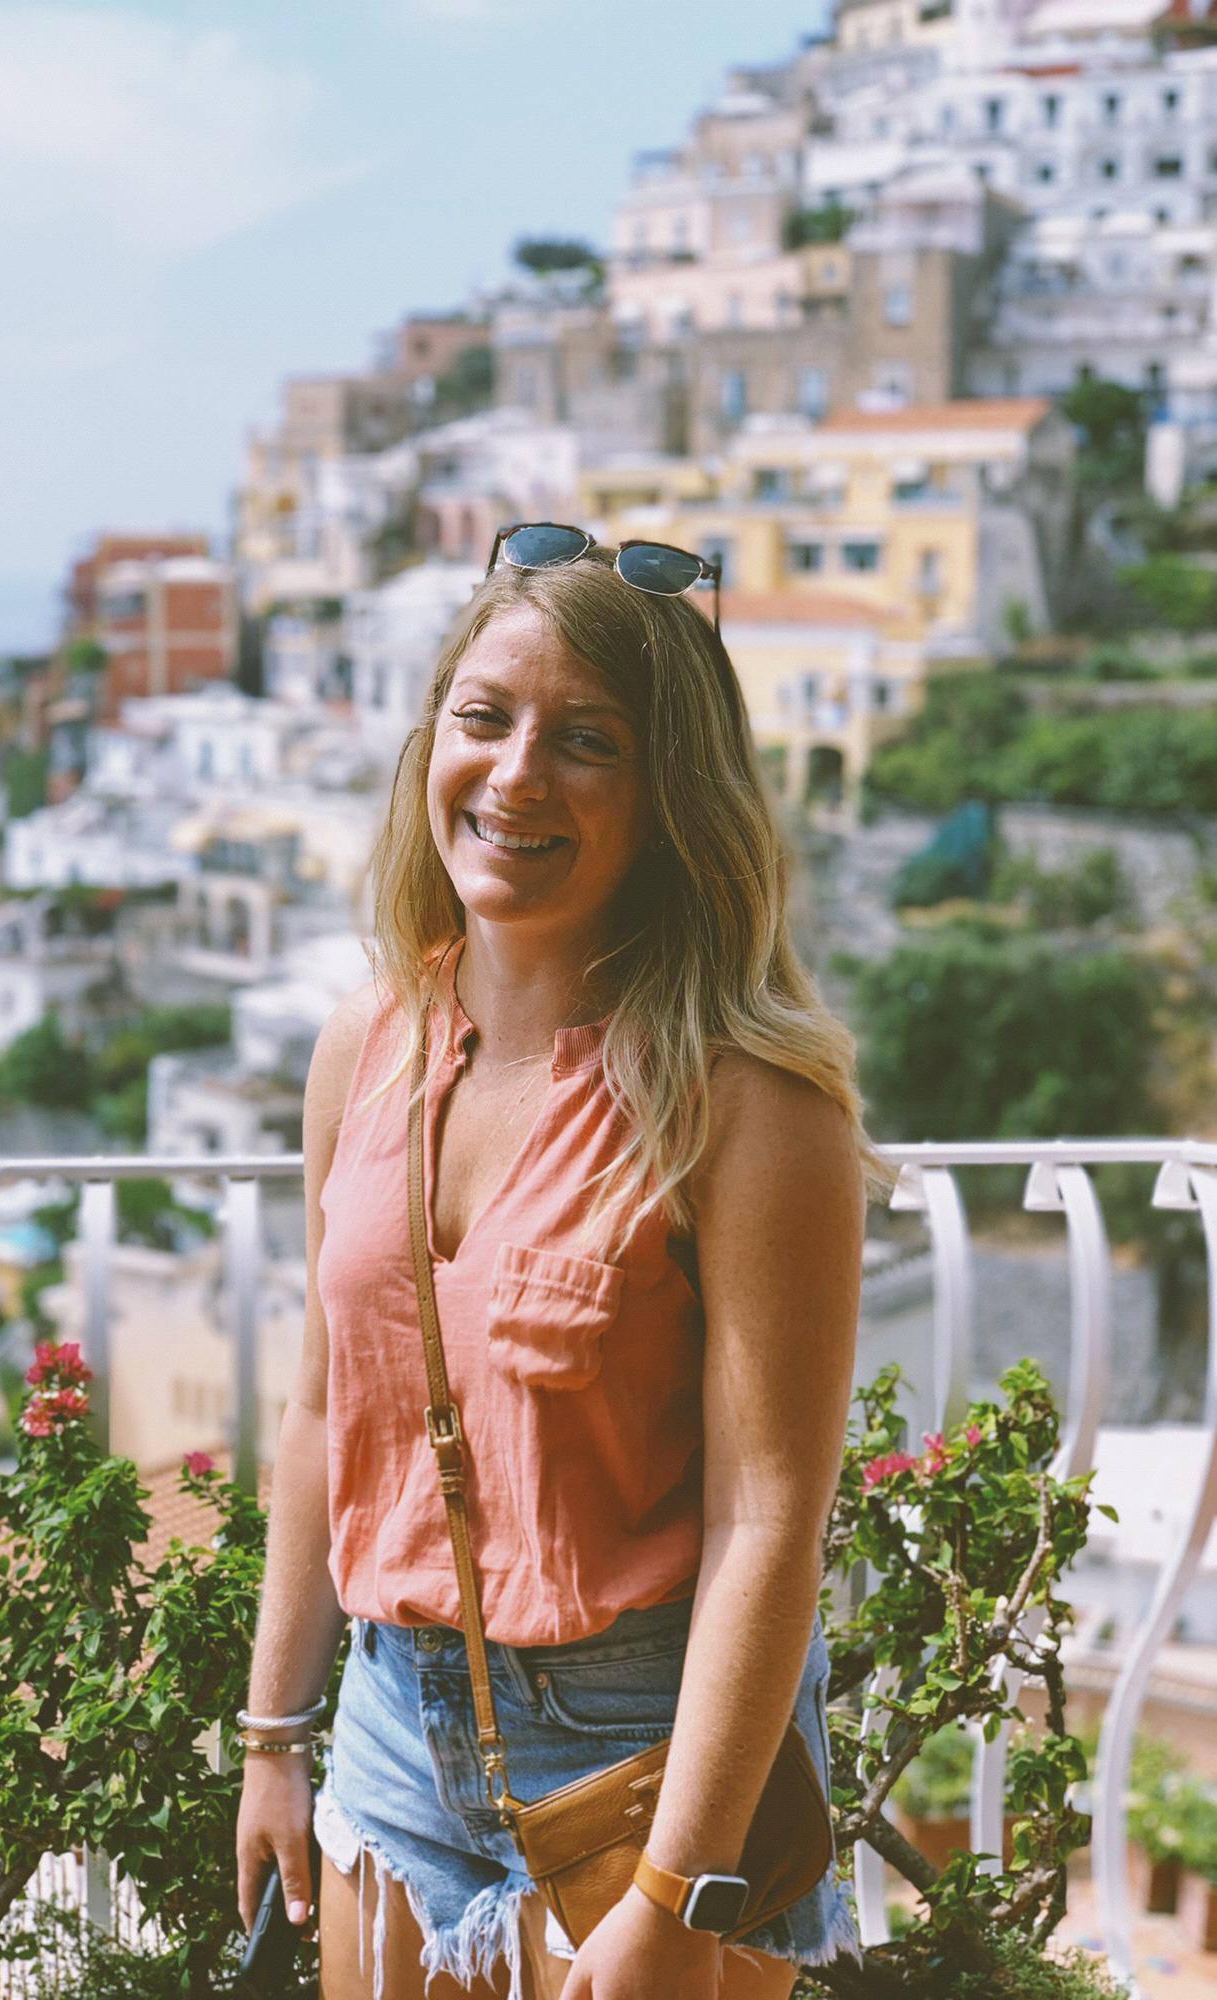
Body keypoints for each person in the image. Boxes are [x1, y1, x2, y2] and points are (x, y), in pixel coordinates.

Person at [236, 526, 877, 2000]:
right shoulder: (368, 1041)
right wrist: (276, 1741)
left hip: (650, 1750)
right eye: (486, 719)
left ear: (669, 800)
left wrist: (680, 1889)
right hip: (396, 1728)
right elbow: (326, 1416)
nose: (518, 774)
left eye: (587, 740)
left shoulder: (746, 1102)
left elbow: (771, 1517)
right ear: (430, 748)